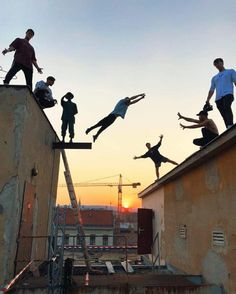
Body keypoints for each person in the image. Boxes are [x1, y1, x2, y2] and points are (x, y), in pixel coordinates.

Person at [205, 58, 236, 129]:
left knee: (227, 107)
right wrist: (208, 100)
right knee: (223, 114)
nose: (217, 65)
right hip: (218, 98)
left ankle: (230, 125)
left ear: (222, 63)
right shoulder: (214, 78)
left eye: (218, 63)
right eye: (215, 64)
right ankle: (228, 128)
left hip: (228, 94)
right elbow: (211, 90)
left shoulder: (230, 71)